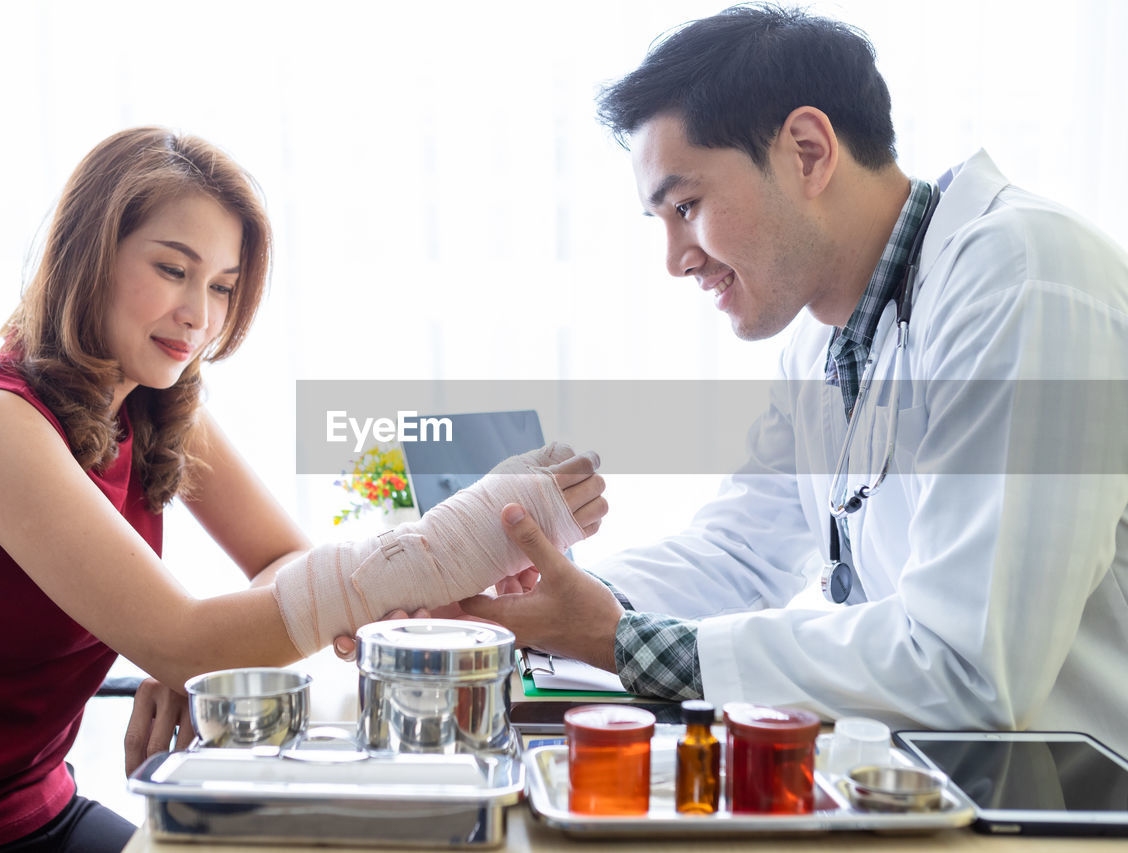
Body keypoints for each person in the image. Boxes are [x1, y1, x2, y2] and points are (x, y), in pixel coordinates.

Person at [0, 127, 607, 852]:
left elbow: (279, 559)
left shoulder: (157, 405)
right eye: (173, 271)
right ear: (88, 255)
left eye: (222, 285)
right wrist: (182, 646)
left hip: (34, 801)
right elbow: (190, 635)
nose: (200, 316)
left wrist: (180, 658)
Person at [451, 4, 1128, 755]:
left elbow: (968, 665)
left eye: (688, 205)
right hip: (936, 792)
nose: (676, 258)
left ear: (808, 151)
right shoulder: (827, 343)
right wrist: (553, 601)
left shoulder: (1022, 278)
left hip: (1071, 810)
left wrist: (621, 641)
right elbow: (741, 550)